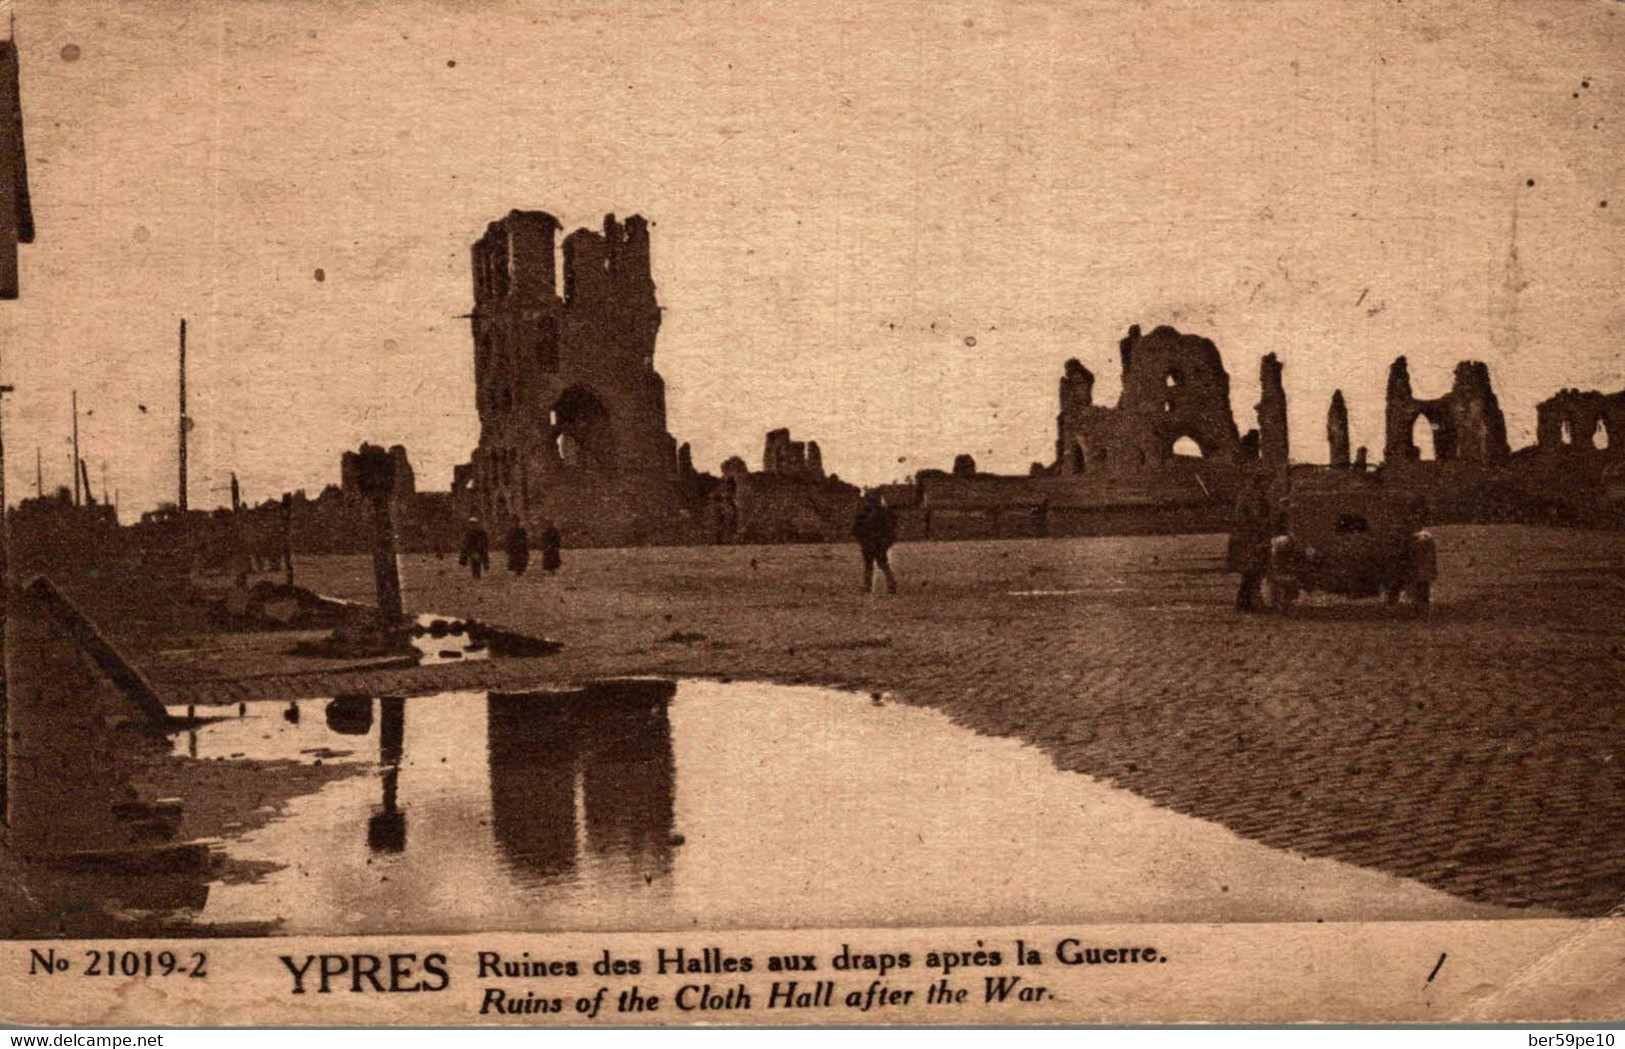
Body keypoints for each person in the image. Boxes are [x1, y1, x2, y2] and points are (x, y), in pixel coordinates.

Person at [1226, 476, 1276, 612]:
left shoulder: (1247, 495)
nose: (1269, 487)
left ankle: (1244, 603)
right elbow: (1257, 518)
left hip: (1247, 539)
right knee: (1254, 572)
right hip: (1252, 540)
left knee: (1251, 573)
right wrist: (1273, 519)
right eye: (1266, 483)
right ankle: (1248, 604)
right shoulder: (1255, 498)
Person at [852, 492, 899, 594]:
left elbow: (856, 530)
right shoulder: (885, 513)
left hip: (873, 543)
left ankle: (869, 586)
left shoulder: (865, 514)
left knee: (872, 565)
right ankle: (890, 585)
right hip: (876, 543)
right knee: (881, 564)